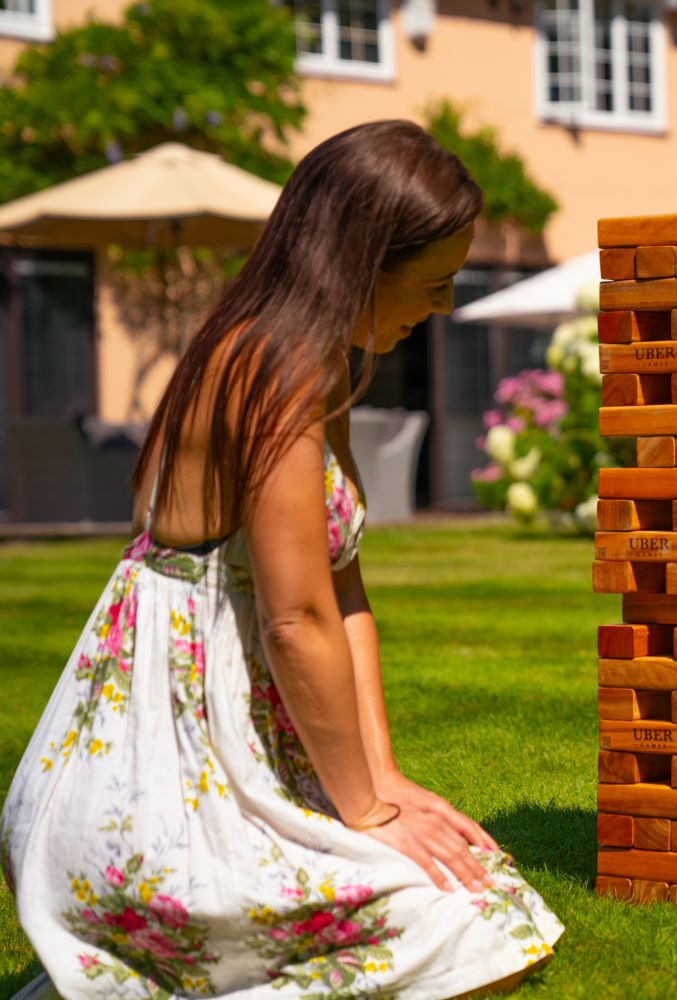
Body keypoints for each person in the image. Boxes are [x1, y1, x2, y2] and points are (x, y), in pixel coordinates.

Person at [1, 121, 562, 997]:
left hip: (238, 739)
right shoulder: (273, 370)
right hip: (155, 764)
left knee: (481, 897)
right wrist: (365, 814)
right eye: (436, 282)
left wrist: (382, 783)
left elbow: (343, 587)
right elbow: (294, 621)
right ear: (363, 264)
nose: (445, 307)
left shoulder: (320, 360)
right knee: (459, 925)